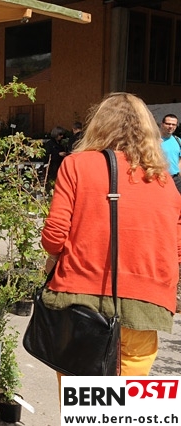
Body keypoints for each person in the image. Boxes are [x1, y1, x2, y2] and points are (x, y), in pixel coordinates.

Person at [41, 93, 181, 384]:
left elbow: (55, 235)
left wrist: (53, 256)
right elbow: (176, 246)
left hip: (80, 296)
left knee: (82, 398)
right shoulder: (163, 179)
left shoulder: (77, 164)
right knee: (127, 401)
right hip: (145, 302)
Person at [160, 113, 181, 194]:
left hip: (176, 179)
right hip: (160, 178)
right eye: (168, 124)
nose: (171, 126)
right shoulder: (153, 141)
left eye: (173, 124)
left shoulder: (178, 140)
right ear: (162, 124)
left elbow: (179, 161)